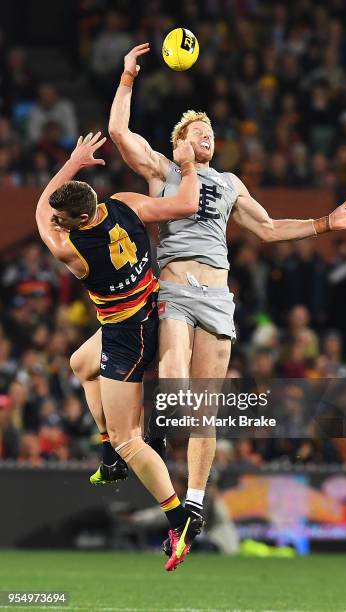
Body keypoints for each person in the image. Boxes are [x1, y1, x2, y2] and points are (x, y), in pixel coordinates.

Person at [105, 43, 346, 529]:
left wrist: (325, 223)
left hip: (218, 298)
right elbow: (119, 132)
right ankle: (165, 421)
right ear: (178, 143)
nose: (205, 135)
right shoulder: (163, 171)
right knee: (172, 362)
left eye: (209, 132)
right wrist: (127, 79)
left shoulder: (229, 183)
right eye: (194, 131)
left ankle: (195, 503)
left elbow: (268, 228)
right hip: (175, 287)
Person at [35, 129, 202, 571]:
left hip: (129, 334)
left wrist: (71, 161)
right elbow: (186, 203)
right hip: (150, 308)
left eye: (61, 217)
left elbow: (41, 209)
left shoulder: (70, 249)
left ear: (72, 222)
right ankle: (108, 455)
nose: (56, 220)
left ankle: (179, 519)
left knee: (133, 440)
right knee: (80, 364)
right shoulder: (125, 203)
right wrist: (187, 166)